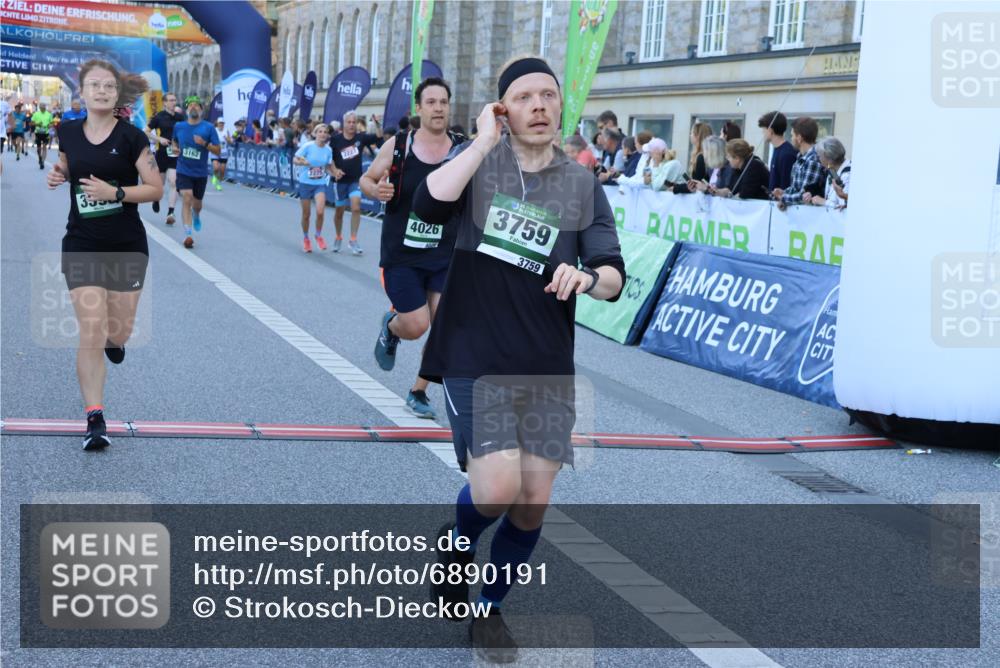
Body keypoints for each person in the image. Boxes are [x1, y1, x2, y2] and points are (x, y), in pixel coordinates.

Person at [413, 56, 625, 662]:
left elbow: (613, 276)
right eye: (525, 96)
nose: (539, 105)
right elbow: (428, 205)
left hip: (545, 360)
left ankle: (489, 610)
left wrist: (588, 278)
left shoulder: (581, 184)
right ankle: (457, 543)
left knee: (532, 502)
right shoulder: (479, 165)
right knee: (496, 489)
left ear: (561, 106)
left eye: (548, 95)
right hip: (474, 354)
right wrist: (482, 142)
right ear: (503, 109)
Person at [46, 59, 163, 450]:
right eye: (94, 85)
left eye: (108, 86)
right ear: (81, 91)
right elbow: (68, 164)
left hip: (126, 245)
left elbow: (155, 188)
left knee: (119, 331)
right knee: (92, 329)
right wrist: (59, 173)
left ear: (116, 94)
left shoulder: (132, 137)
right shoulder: (67, 131)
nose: (101, 91)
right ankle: (95, 418)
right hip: (81, 242)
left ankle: (117, 340)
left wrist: (115, 193)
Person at [361, 76, 465, 420]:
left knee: (445, 325)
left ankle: (418, 390)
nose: (438, 108)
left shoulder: (461, 149)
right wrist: (376, 191)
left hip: (445, 253)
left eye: (443, 102)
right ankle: (392, 326)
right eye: (431, 102)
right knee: (417, 325)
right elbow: (367, 179)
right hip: (402, 255)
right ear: (419, 108)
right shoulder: (399, 145)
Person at [171, 97, 221, 248]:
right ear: (186, 110)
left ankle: (197, 214)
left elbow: (218, 151)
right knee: (187, 197)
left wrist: (204, 143)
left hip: (200, 173)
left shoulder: (208, 128)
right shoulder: (179, 126)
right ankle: (188, 234)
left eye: (196, 105)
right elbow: (174, 141)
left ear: (201, 109)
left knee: (197, 204)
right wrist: (174, 148)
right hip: (183, 169)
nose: (193, 107)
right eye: (190, 105)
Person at [330, 110, 380, 254]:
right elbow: (329, 159)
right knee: (339, 212)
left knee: (356, 207)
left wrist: (377, 123)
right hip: (340, 181)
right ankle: (338, 236)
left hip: (355, 180)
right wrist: (335, 171)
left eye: (354, 122)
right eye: (349, 122)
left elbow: (379, 135)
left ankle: (353, 239)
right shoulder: (335, 139)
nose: (351, 125)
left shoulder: (361, 137)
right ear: (344, 123)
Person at [292, 122, 335, 252]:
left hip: (319, 184)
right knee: (306, 214)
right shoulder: (308, 146)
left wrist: (335, 173)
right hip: (305, 183)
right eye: (320, 132)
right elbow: (295, 159)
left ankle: (318, 235)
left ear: (327, 135)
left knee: (320, 212)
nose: (323, 134)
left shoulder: (328, 150)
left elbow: (328, 166)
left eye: (325, 132)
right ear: (315, 134)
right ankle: (306, 238)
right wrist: (302, 162)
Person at [146, 92, 185, 224]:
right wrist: (159, 139)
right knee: (160, 184)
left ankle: (170, 212)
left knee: (173, 182)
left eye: (175, 100)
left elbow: (185, 132)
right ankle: (156, 199)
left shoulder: (180, 117)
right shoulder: (159, 117)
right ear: (165, 103)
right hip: (162, 153)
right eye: (171, 100)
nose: (174, 102)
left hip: (175, 152)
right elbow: (145, 131)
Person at [773, 116, 826, 209]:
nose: (791, 138)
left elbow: (804, 196)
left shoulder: (812, 160)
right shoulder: (800, 157)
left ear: (799, 138)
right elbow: (796, 188)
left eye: (792, 135)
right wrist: (784, 192)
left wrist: (783, 197)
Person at [619, 137, 683, 190]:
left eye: (651, 152)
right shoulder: (661, 164)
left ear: (660, 152)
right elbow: (653, 184)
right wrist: (647, 181)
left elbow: (656, 187)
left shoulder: (672, 165)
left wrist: (655, 165)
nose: (650, 156)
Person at [805, 136, 850, 209]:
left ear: (828, 157)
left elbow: (844, 207)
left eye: (819, 156)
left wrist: (824, 202)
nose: (819, 160)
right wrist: (812, 194)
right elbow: (830, 196)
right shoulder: (832, 169)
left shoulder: (848, 174)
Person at [758, 111, 796, 192]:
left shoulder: (787, 154)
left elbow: (786, 186)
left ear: (770, 131)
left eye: (764, 130)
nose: (762, 133)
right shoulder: (777, 149)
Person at [672, 122, 712, 194]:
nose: (690, 135)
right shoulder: (705, 155)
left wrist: (676, 188)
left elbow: (695, 186)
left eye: (692, 133)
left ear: (698, 136)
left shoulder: (701, 157)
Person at [31, 102, 54, 169]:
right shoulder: (36, 114)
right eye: (41, 107)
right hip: (38, 133)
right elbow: (31, 123)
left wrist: (50, 125)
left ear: (45, 107)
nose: (42, 108)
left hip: (46, 133)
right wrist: (37, 124)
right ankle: (40, 157)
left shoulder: (49, 114)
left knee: (44, 146)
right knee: (38, 148)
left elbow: (52, 123)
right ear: (39, 107)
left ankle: (42, 162)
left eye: (43, 107)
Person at [211, 118, 229, 191]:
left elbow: (230, 141)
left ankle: (218, 182)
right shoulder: (214, 130)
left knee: (222, 171)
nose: (221, 124)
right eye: (220, 123)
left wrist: (227, 139)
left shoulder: (226, 131)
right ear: (217, 123)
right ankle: (215, 178)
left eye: (222, 123)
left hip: (224, 153)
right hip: (215, 152)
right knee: (216, 168)